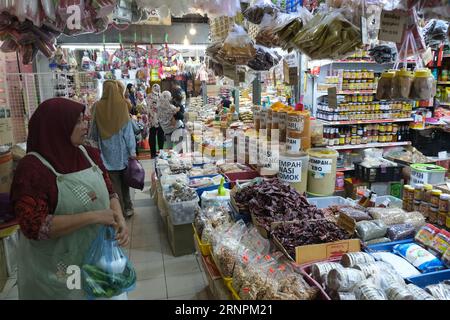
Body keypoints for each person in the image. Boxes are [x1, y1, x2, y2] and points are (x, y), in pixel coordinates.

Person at [10, 98, 129, 300]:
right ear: (56, 126)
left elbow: (110, 192)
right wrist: (95, 217)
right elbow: (35, 226)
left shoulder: (89, 154)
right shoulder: (32, 170)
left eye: (84, 120)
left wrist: (119, 219)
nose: (85, 126)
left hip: (96, 260)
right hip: (58, 269)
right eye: (77, 122)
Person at [91, 80, 137, 218]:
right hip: (122, 152)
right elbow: (128, 131)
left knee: (114, 184)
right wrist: (132, 150)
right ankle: (128, 207)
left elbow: (94, 131)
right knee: (125, 182)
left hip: (106, 154)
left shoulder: (97, 107)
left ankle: (119, 210)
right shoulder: (122, 105)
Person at [146, 84, 165, 158]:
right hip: (160, 119)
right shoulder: (162, 96)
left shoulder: (148, 96)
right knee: (160, 136)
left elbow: (147, 107)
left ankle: (153, 154)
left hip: (152, 118)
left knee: (152, 135)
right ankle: (161, 152)